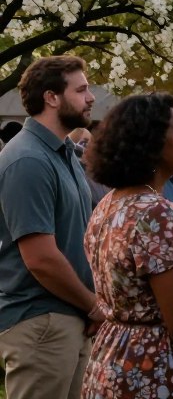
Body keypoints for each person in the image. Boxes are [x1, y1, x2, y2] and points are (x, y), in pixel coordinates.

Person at [81, 93, 173, 398]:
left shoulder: (110, 203)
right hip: (157, 368)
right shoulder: (157, 213)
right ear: (150, 145)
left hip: (112, 360)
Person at [0, 56, 100, 399]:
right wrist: (92, 304)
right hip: (41, 321)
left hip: (70, 317)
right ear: (51, 97)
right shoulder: (28, 159)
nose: (91, 97)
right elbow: (40, 258)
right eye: (82, 89)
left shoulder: (64, 154)